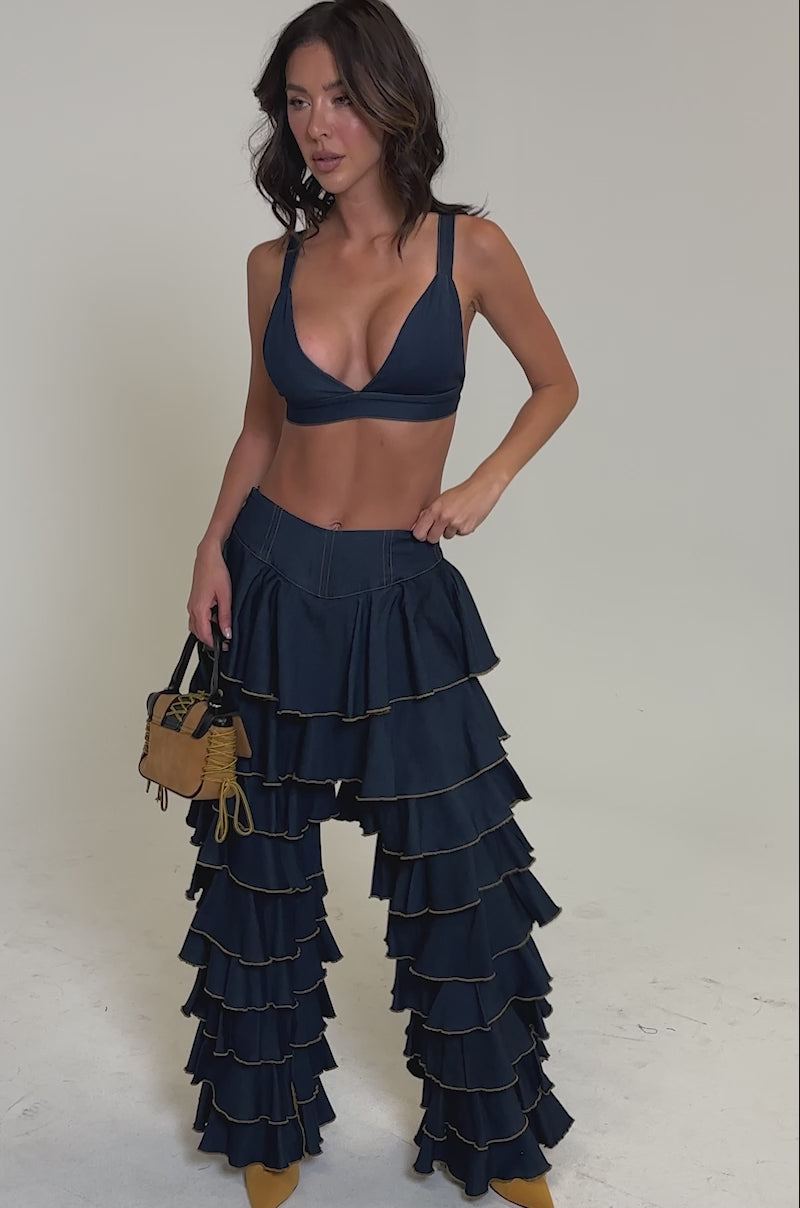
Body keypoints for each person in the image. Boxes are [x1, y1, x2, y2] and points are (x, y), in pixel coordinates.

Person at [180, 2, 580, 1206]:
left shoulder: (474, 249)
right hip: (272, 577)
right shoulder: (272, 265)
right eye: (296, 103)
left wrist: (485, 481)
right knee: (257, 863)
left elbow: (555, 382)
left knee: (458, 866)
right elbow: (264, 421)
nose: (317, 126)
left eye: (339, 98)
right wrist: (208, 543)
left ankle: (491, 1128)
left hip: (402, 595)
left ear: (392, 99)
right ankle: (266, 1122)